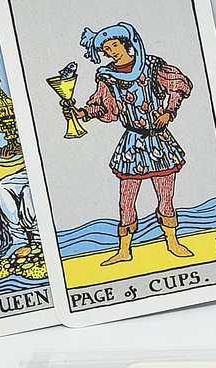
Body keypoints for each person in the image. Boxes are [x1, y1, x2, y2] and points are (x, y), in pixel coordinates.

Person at [70, 22, 194, 265]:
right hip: (132, 143)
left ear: (126, 44)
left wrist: (169, 112)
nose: (111, 52)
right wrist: (82, 113)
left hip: (159, 141)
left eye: (114, 45)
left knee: (165, 197)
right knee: (126, 200)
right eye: (107, 49)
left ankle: (172, 242)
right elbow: (104, 107)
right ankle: (124, 250)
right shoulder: (107, 76)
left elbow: (178, 86)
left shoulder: (151, 65)